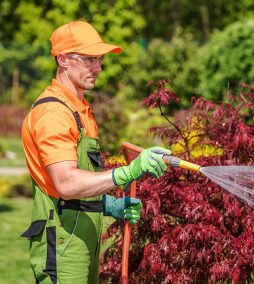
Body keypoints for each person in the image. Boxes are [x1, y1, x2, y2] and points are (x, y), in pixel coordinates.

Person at [21, 20, 170, 284]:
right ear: (64, 60)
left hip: (80, 236)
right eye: (90, 59)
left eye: (100, 60)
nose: (98, 68)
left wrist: (108, 205)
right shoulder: (54, 113)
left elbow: (79, 183)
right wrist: (128, 172)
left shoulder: (80, 110)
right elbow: (66, 184)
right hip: (62, 241)